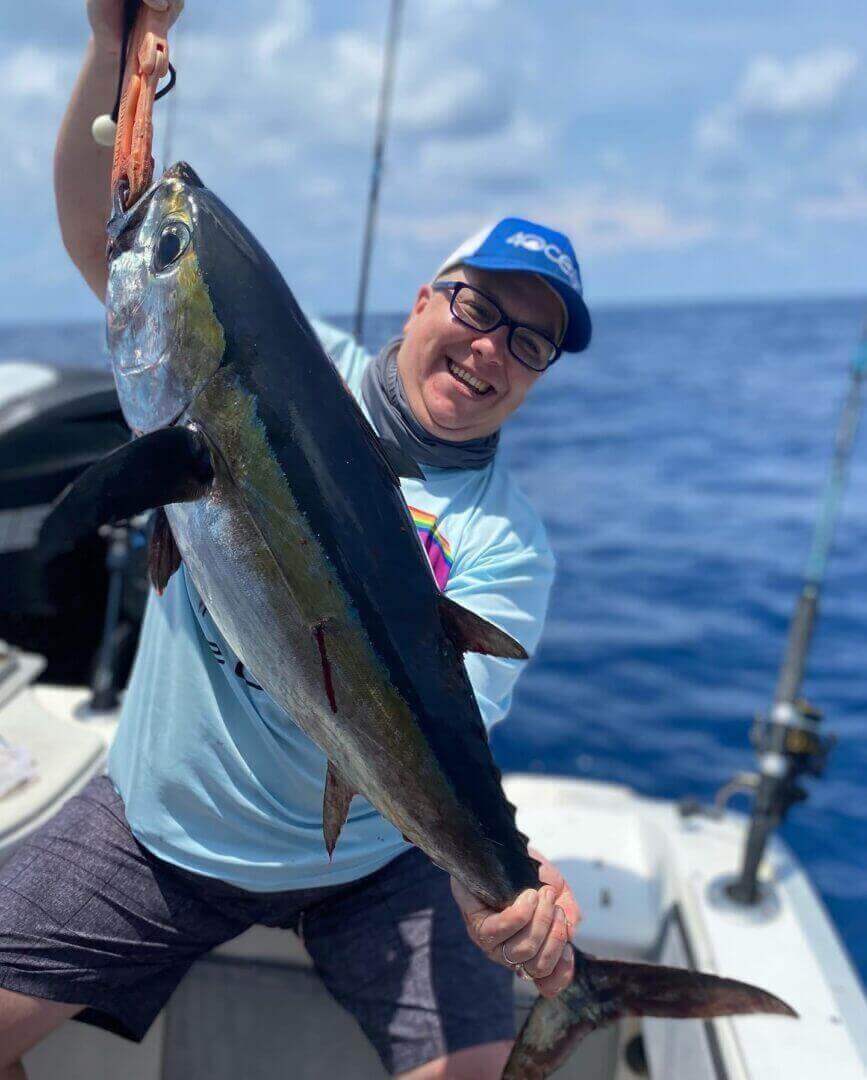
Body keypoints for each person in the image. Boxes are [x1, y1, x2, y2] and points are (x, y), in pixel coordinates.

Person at [0, 2, 593, 1077]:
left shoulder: (509, 549)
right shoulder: (288, 366)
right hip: (164, 826)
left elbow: (443, 727)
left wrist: (504, 891)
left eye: (530, 340)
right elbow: (110, 236)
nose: (489, 346)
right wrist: (109, 52)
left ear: (538, 372)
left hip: (380, 857)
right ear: (424, 302)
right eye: (475, 306)